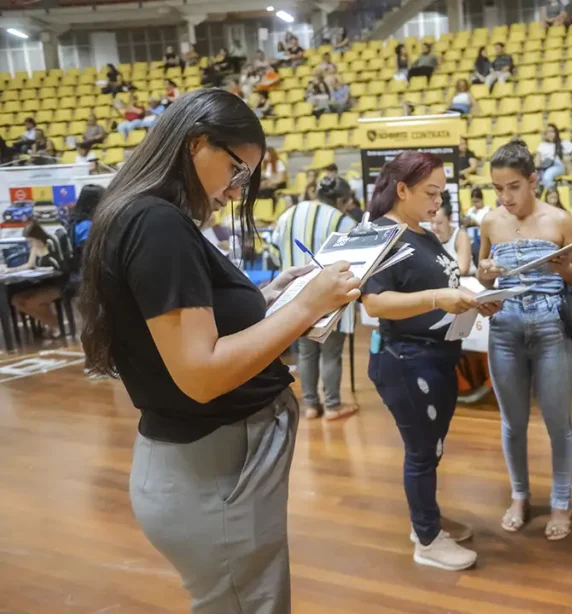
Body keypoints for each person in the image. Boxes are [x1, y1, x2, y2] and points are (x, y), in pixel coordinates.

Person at [77, 89, 363, 612]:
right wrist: (303, 310)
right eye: (236, 172)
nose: (236, 191)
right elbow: (201, 373)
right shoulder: (157, 224)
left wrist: (269, 297)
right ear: (196, 144)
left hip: (205, 470)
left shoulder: (142, 215)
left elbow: (188, 325)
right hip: (211, 474)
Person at [361, 151, 501, 571]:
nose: (438, 201)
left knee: (431, 448)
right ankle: (426, 538)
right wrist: (440, 298)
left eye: (441, 193)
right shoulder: (378, 234)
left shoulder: (419, 231)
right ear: (401, 189)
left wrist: (472, 303)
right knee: (422, 452)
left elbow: (438, 285)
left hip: (437, 356)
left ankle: (427, 519)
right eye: (430, 192)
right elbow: (376, 301)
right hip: (406, 359)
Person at [477, 140, 572, 541]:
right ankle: (520, 495)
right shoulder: (490, 222)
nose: (506, 197)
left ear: (533, 181)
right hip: (504, 327)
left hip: (550, 326)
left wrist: (563, 267)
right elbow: (483, 275)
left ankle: (562, 501)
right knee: (513, 422)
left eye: (513, 187)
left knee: (558, 422)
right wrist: (486, 271)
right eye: (498, 188)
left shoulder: (560, 220)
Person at [272, 175, 358, 421]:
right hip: (333, 299)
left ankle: (310, 405)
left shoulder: (288, 215)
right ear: (341, 199)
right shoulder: (343, 221)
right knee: (331, 354)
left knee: (305, 353)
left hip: (296, 297)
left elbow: (274, 252)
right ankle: (332, 406)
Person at [5, 221, 66, 339]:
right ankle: (50, 324)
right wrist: (12, 270)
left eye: (32, 240)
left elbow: (59, 265)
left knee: (31, 302)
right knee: (16, 300)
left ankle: (56, 326)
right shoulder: (34, 248)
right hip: (41, 284)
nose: (31, 243)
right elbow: (29, 265)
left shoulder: (51, 244)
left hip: (56, 284)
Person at [431, 196, 474, 275]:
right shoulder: (429, 236)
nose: (435, 227)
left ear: (449, 218)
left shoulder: (460, 236)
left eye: (439, 223)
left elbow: (462, 269)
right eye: (432, 222)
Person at [536, 124, 572, 189]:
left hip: (557, 165)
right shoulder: (542, 145)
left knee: (547, 177)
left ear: (556, 133)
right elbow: (537, 160)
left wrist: (567, 159)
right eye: (548, 132)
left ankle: (552, 194)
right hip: (544, 165)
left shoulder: (563, 143)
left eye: (552, 131)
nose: (550, 134)